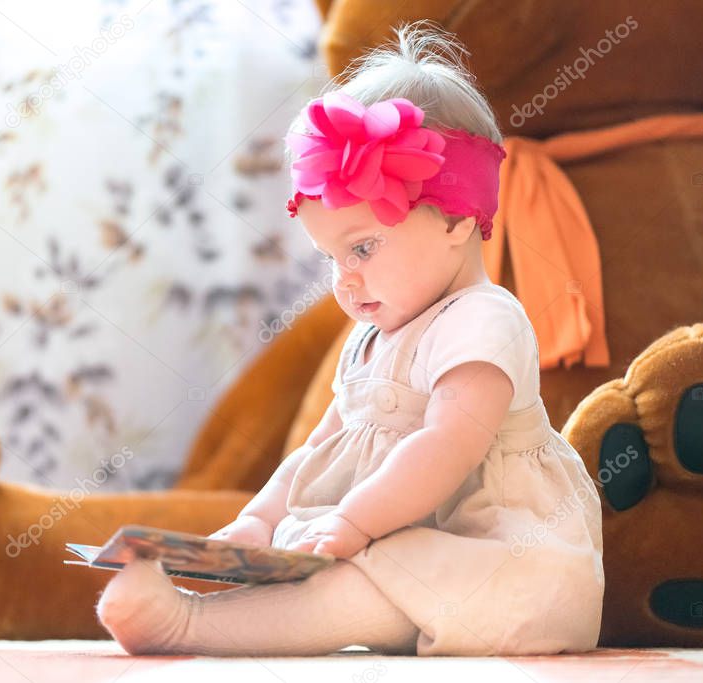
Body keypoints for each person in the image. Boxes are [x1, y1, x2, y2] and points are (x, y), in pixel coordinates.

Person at [96, 20, 604, 657]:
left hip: (501, 558)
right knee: (346, 575)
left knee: (365, 586)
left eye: (361, 247)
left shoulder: (483, 320)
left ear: (452, 218)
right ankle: (203, 611)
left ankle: (192, 627)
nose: (345, 279)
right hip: (400, 542)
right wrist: (261, 517)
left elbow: (448, 444)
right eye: (330, 257)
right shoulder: (373, 337)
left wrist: (355, 521)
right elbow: (319, 445)